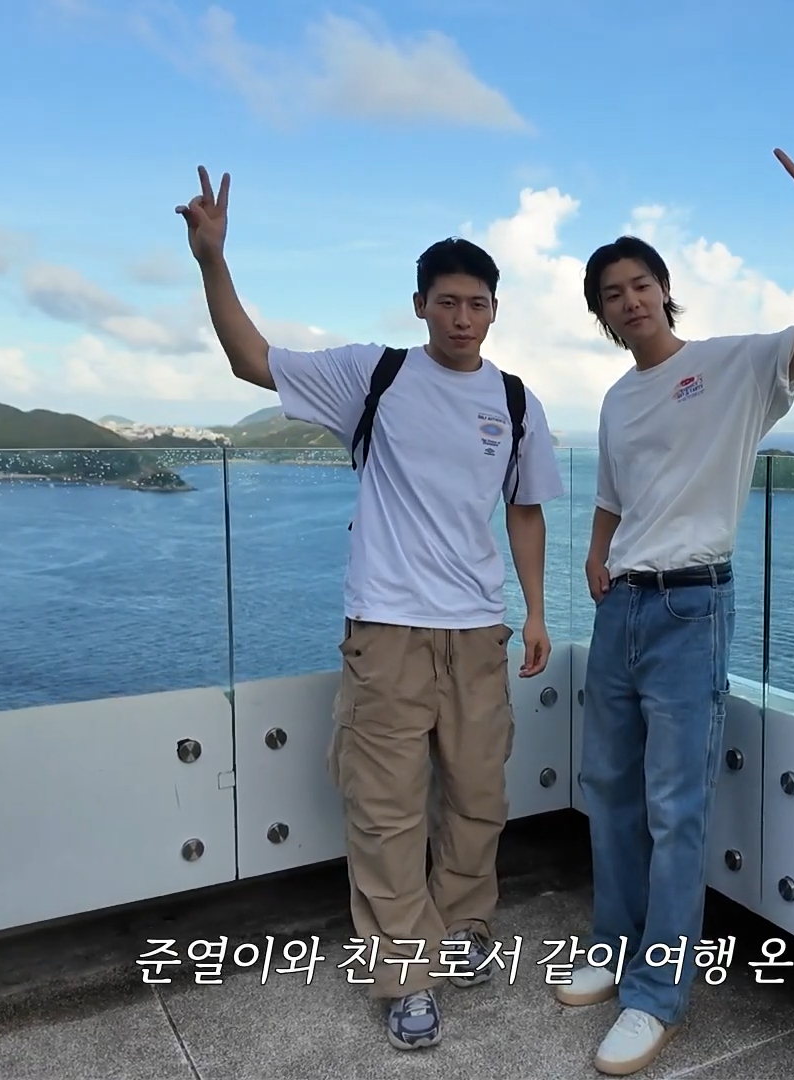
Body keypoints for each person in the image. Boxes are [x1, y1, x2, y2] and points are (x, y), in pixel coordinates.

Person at [176, 166, 564, 1051]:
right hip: (386, 628)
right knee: (385, 807)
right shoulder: (373, 376)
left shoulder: (515, 401)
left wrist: (535, 612)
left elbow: (526, 509)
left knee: (477, 796)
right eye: (448, 302)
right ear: (420, 305)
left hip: (477, 631)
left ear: (495, 310)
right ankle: (404, 975)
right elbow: (251, 360)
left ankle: (460, 928)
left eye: (479, 303)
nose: (464, 318)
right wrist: (212, 261)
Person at [556, 129, 794, 1075]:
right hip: (623, 611)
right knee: (608, 792)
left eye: (640, 284)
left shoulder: (730, 367)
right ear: (601, 313)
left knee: (676, 807)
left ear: (664, 289)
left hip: (692, 610)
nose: (628, 300)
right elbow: (610, 495)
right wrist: (597, 564)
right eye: (612, 293)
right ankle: (615, 942)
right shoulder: (614, 400)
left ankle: (658, 993)